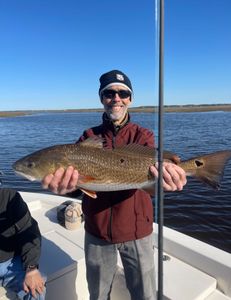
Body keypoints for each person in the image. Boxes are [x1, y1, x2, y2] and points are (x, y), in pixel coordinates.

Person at [42, 70, 187, 300]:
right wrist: (65, 187)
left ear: (130, 99)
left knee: (145, 295)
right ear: (102, 98)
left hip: (137, 231)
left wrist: (164, 182)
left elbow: (150, 182)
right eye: (109, 93)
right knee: (98, 295)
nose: (116, 98)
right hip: (97, 232)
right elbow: (78, 184)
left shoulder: (143, 135)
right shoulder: (88, 137)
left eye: (123, 93)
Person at [0, 188, 46, 299]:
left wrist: (31, 268)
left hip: (10, 264)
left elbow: (29, 232)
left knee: (37, 290)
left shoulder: (10, 198)